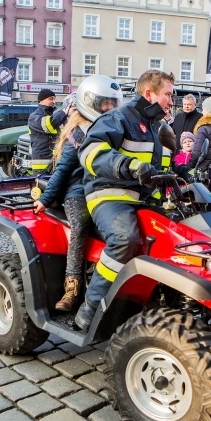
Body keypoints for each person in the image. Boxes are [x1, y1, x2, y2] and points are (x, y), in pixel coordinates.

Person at [74, 69, 174, 330]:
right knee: (124, 239)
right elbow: (90, 153)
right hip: (108, 195)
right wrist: (126, 165)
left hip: (142, 199)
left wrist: (182, 174)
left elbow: (158, 167)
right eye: (168, 94)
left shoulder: (156, 127)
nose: (171, 101)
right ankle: (91, 306)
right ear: (149, 93)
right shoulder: (118, 118)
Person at [33, 75, 124, 312]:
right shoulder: (80, 131)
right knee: (81, 224)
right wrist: (45, 199)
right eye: (104, 103)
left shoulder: (115, 127)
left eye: (112, 103)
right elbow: (63, 169)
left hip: (104, 188)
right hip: (77, 190)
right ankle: (71, 288)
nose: (109, 108)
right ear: (91, 103)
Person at [28, 89, 69, 174]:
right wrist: (64, 112)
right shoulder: (34, 116)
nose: (54, 101)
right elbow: (48, 124)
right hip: (42, 164)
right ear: (41, 100)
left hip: (55, 161)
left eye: (54, 99)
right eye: (50, 99)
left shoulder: (56, 115)